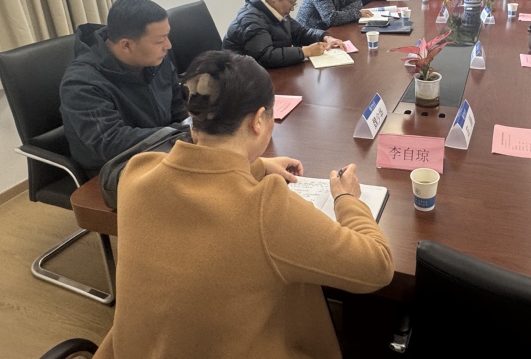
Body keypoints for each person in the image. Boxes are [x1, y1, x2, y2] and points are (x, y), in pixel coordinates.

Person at [93, 51, 394, 359]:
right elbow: (378, 266)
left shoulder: (139, 171)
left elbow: (202, 180)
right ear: (259, 120)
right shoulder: (266, 209)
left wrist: (255, 165)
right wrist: (346, 199)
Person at [60, 0, 188, 178]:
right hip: (116, 167)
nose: (168, 45)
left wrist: (194, 126)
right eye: (159, 40)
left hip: (163, 148)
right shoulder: (81, 82)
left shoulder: (155, 59)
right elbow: (111, 142)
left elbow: (176, 105)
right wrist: (181, 134)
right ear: (126, 45)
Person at [223, 0, 345, 69]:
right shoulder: (252, 20)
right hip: (240, 78)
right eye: (291, 2)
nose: (292, 8)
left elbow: (300, 32)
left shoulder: (276, 12)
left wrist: (325, 37)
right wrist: (304, 52)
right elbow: (266, 56)